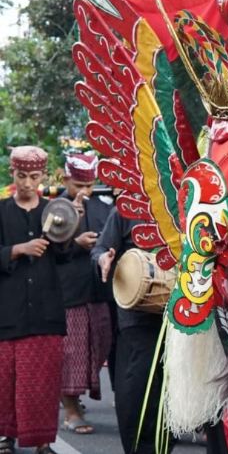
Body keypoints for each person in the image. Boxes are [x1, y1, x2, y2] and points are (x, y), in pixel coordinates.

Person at [0, 146, 71, 454]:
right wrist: (18, 250)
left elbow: (64, 255)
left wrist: (71, 231)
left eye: (33, 176)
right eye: (21, 176)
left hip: (45, 312)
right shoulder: (1, 211)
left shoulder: (53, 210)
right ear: (12, 174)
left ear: (43, 176)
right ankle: (4, 437)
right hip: (8, 313)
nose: (27, 183)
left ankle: (43, 442)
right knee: (4, 381)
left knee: (43, 382)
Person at [91, 209, 169, 454]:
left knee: (172, 389)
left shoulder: (188, 206)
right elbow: (100, 249)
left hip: (181, 316)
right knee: (139, 386)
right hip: (138, 315)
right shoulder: (126, 210)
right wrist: (103, 259)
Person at [57, 153, 112, 434]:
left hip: (99, 291)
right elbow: (45, 249)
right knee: (71, 353)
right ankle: (70, 409)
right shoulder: (53, 209)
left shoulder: (103, 207)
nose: (85, 191)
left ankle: (73, 398)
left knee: (98, 347)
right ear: (64, 179)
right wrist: (74, 241)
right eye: (78, 185)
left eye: (89, 185)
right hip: (67, 293)